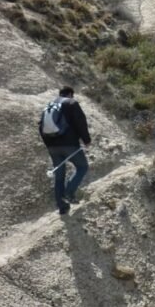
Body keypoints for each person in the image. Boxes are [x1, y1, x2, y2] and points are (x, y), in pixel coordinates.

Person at [40, 86, 91, 215]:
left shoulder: (49, 106)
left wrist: (49, 145)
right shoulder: (71, 103)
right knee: (82, 167)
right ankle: (68, 193)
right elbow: (80, 121)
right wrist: (86, 139)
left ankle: (62, 207)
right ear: (70, 94)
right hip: (69, 144)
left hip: (52, 146)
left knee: (59, 174)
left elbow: (40, 125)